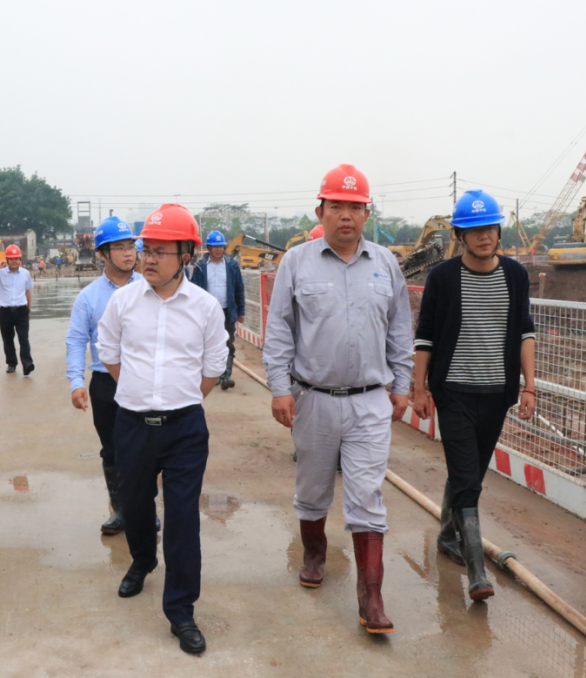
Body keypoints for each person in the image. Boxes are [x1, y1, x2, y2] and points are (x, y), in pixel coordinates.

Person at [262, 164, 412, 634]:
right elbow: (279, 329)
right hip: (314, 399)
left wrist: (402, 385)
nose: (346, 214)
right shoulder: (296, 263)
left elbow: (399, 329)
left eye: (355, 207)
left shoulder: (385, 264)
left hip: (369, 401)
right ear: (320, 211)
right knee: (312, 491)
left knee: (368, 495)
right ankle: (314, 553)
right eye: (337, 206)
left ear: (367, 213)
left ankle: (371, 597)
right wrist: (280, 388)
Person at [97, 204, 228, 655]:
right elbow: (109, 353)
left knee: (183, 518)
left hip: (185, 428)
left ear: (185, 256)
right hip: (132, 424)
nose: (147, 259)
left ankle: (181, 610)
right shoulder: (123, 301)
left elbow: (214, 365)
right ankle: (142, 560)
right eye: (145, 250)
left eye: (159, 252)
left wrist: (179, 399)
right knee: (134, 504)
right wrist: (140, 394)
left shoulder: (205, 307)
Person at [412, 189, 536, 601]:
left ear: (499, 231)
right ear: (460, 235)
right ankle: (477, 572)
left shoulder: (515, 275)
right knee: (467, 478)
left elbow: (525, 331)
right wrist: (419, 387)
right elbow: (426, 335)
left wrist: (529, 386)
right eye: (474, 230)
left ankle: (448, 536)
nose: (484, 236)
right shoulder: (443, 277)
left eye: (490, 228)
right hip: (454, 392)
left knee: (471, 473)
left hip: (497, 393)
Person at [66, 216, 142, 535]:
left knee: (143, 449)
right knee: (111, 449)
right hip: (105, 384)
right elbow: (76, 340)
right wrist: (76, 382)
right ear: (102, 254)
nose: (128, 253)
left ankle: (143, 508)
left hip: (142, 380)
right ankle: (119, 509)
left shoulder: (150, 288)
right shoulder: (89, 297)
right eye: (119, 248)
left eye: (130, 246)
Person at [191, 230, 246, 390]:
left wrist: (241, 311)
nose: (218, 250)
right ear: (209, 248)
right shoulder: (200, 267)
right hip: (206, 313)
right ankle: (211, 375)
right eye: (215, 247)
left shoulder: (232, 266)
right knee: (207, 344)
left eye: (221, 247)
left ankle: (225, 376)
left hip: (227, 311)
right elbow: (193, 290)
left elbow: (239, 289)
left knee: (228, 343)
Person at [0, 245, 34, 375]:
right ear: (7, 259)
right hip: (5, 311)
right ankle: (11, 363)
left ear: (19, 259)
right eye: (11, 259)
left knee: (23, 338)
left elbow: (28, 292)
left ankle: (27, 364)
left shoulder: (25, 273)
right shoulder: (0, 273)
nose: (14, 261)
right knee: (8, 339)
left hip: (21, 310)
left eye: (16, 258)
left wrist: (29, 308)